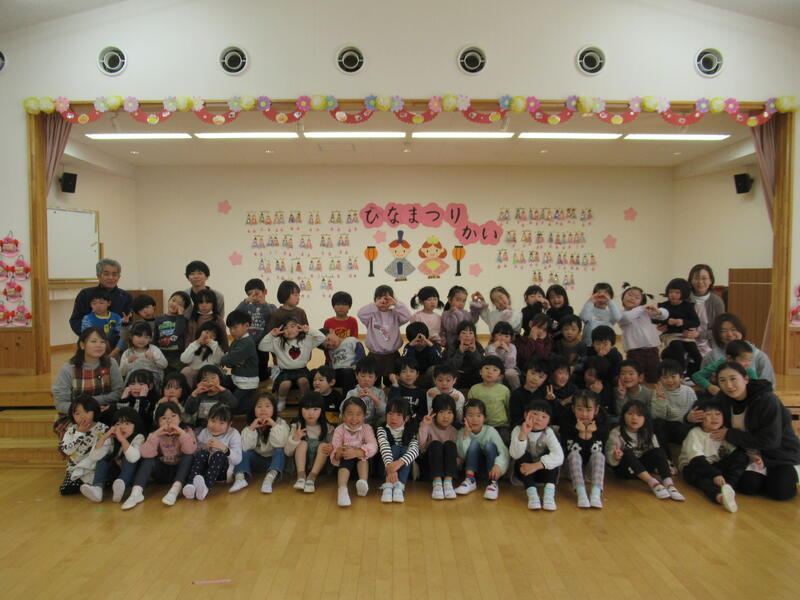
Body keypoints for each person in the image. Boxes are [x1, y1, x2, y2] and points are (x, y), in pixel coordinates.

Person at [711, 362, 800, 501]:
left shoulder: (767, 400)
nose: (729, 385)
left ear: (746, 379)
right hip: (750, 454)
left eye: (733, 379)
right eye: (722, 380)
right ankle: (762, 476)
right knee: (748, 486)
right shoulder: (723, 398)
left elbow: (770, 441)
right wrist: (690, 417)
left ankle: (788, 473)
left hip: (778, 455)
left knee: (781, 492)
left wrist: (730, 434)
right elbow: (705, 407)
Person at [678, 398, 748, 513]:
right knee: (703, 480)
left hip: (716, 465)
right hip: (695, 466)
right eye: (708, 414)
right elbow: (696, 460)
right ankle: (718, 496)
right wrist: (715, 474)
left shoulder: (724, 432)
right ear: (700, 419)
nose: (714, 417)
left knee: (741, 457)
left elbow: (735, 453)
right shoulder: (695, 433)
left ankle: (728, 486)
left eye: (718, 414)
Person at [606, 400, 685, 501]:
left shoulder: (647, 432)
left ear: (645, 418)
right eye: (630, 414)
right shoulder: (616, 432)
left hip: (643, 468)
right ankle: (653, 483)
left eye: (639, 415)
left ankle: (669, 484)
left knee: (658, 450)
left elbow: (657, 453)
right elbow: (609, 458)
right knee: (627, 452)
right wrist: (615, 456)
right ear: (623, 416)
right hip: (626, 470)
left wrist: (668, 465)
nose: (634, 418)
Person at [123, 401, 197, 509]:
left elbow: (190, 450)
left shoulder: (186, 431)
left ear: (180, 419)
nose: (169, 421)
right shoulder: (155, 434)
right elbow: (145, 454)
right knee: (148, 460)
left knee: (189, 456)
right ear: (157, 422)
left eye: (173, 416)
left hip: (181, 473)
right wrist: (156, 435)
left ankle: (175, 490)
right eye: (164, 418)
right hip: (163, 472)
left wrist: (181, 432)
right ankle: (136, 493)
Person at [52, 327, 124, 424]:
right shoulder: (68, 368)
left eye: (102, 342)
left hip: (105, 412)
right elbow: (61, 403)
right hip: (76, 417)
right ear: (82, 345)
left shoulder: (111, 363)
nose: (99, 345)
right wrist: (85, 409)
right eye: (93, 341)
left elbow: (118, 392)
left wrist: (94, 404)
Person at [259, 316, 326, 412]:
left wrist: (309, 330)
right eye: (286, 328)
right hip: (285, 372)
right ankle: (281, 401)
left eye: (293, 326)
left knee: (303, 381)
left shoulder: (306, 340)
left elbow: (322, 337)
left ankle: (305, 401)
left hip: (302, 370)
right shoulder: (277, 342)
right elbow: (262, 346)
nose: (290, 330)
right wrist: (271, 335)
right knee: (285, 384)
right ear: (281, 330)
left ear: (299, 327)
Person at [81, 407, 145, 503]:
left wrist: (122, 440)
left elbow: (133, 458)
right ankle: (97, 488)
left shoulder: (139, 437)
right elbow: (94, 457)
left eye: (127, 423)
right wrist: (104, 438)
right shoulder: (111, 438)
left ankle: (121, 485)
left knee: (128, 457)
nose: (122, 427)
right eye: (117, 424)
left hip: (132, 475)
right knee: (103, 458)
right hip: (114, 474)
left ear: (135, 425)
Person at [510, 400, 564, 510]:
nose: (539, 419)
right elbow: (515, 455)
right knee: (523, 455)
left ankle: (549, 496)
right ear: (525, 414)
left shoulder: (548, 432)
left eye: (544, 416)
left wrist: (536, 466)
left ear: (549, 420)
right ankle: (532, 495)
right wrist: (523, 434)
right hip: (523, 472)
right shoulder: (518, 429)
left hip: (542, 473)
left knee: (552, 457)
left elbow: (559, 456)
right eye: (535, 414)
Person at [230, 394, 289, 493]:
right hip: (258, 461)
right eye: (259, 406)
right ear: (254, 409)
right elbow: (245, 447)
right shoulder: (251, 424)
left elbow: (281, 443)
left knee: (279, 450)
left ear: (274, 409)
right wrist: (252, 428)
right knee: (243, 451)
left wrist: (273, 425)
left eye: (267, 406)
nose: (263, 409)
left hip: (275, 462)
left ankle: (269, 479)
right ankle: (240, 478)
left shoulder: (280, 423)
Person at [183, 402, 242, 501]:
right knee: (202, 453)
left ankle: (206, 487)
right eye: (213, 421)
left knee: (219, 455)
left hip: (223, 473)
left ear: (229, 424)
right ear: (208, 419)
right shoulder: (204, 432)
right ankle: (191, 485)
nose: (216, 426)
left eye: (221, 423)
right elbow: (195, 452)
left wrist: (224, 449)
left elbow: (238, 460)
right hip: (205, 470)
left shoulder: (233, 434)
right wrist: (204, 447)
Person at [559, 390, 607, 508]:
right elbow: (569, 450)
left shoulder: (602, 423)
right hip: (571, 470)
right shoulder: (567, 422)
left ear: (596, 410)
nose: (584, 414)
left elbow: (598, 449)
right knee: (574, 454)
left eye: (589, 410)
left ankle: (596, 494)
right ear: (573, 408)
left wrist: (589, 435)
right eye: (579, 409)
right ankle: (581, 494)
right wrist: (581, 434)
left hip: (592, 472)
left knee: (599, 455)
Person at [700, 313, 775, 387]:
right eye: (723, 331)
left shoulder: (759, 355)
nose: (729, 334)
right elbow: (702, 381)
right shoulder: (710, 356)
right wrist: (712, 382)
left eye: (734, 329)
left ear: (741, 330)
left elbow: (768, 385)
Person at [455, 398, 510, 500]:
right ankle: (470, 480)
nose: (475, 419)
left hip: (490, 470)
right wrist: (466, 436)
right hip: (471, 469)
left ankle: (493, 483)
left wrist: (498, 466)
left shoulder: (490, 431)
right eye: (470, 415)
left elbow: (504, 451)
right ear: (464, 418)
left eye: (478, 415)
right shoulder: (462, 432)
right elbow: (461, 455)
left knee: (489, 446)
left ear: (484, 418)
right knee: (474, 443)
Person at [357, 284, 412, 385]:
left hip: (392, 355)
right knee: (373, 382)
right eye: (379, 298)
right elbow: (360, 314)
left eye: (386, 299)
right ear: (375, 300)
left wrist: (396, 303)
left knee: (391, 382)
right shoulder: (371, 315)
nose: (383, 301)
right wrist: (375, 305)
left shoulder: (395, 314)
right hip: (374, 354)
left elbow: (407, 316)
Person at [330, 397, 378, 507]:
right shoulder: (339, 430)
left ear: (364, 416)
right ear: (343, 416)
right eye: (350, 414)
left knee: (363, 457)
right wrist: (340, 452)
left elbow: (374, 446)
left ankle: (363, 482)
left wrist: (357, 452)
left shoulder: (367, 428)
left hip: (362, 468)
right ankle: (342, 489)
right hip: (344, 466)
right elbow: (335, 451)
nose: (354, 418)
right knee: (346, 459)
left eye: (359, 414)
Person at [59, 396, 111, 496]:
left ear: (94, 411)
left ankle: (92, 485)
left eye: (86, 412)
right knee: (66, 490)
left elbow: (106, 449)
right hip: (76, 467)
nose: (82, 416)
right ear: (72, 415)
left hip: (94, 466)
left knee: (105, 479)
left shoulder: (103, 428)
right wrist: (80, 433)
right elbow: (67, 450)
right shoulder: (71, 431)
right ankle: (84, 484)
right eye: (77, 413)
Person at [69, 258, 133, 336]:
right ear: (98, 276)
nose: (110, 277)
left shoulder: (126, 297)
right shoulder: (85, 294)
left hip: (117, 340)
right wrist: (90, 335)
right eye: (106, 274)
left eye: (114, 274)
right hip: (91, 339)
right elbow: (76, 320)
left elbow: (129, 322)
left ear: (119, 277)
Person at [617, 284, 667, 383]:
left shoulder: (645, 312)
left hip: (652, 350)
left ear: (642, 301)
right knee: (635, 377)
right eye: (629, 295)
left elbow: (665, 315)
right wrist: (641, 308)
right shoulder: (620, 314)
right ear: (623, 297)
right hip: (634, 352)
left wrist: (658, 312)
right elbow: (627, 318)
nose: (632, 298)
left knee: (654, 376)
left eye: (637, 297)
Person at [286, 392, 333, 493]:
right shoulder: (296, 426)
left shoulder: (327, 427)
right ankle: (301, 477)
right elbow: (288, 452)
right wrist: (296, 438)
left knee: (324, 445)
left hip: (319, 467)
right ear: (300, 409)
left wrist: (331, 448)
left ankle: (312, 478)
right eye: (306, 408)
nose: (311, 413)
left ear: (321, 410)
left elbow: (333, 447)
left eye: (315, 409)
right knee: (303, 443)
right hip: (301, 465)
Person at [377, 397, 420, 503]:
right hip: (386, 465)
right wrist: (391, 469)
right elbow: (384, 446)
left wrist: (399, 463)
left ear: (407, 418)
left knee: (406, 449)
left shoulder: (410, 430)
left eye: (399, 415)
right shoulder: (382, 429)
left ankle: (399, 486)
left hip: (402, 465)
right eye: (390, 414)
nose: (393, 418)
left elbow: (415, 450)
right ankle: (388, 485)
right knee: (394, 448)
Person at [658, 277, 702, 377]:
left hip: (685, 335)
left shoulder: (688, 306)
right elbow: (655, 319)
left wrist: (682, 322)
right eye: (671, 292)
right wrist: (666, 321)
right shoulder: (663, 305)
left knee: (694, 351)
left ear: (684, 293)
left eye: (677, 292)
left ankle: (698, 373)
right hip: (670, 334)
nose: (673, 295)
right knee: (677, 347)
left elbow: (696, 322)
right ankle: (681, 373)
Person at [418, 394, 459, 500]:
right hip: (429, 467)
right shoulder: (428, 425)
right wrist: (424, 425)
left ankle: (448, 483)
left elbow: (457, 457)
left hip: (447, 471)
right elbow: (420, 447)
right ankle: (437, 484)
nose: (446, 416)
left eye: (449, 412)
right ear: (434, 413)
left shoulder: (453, 431)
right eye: (441, 412)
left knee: (450, 444)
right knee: (436, 444)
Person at [651, 359, 696, 454]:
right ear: (659, 379)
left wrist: (689, 418)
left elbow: (694, 411)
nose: (670, 381)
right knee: (657, 423)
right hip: (667, 428)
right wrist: (661, 400)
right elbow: (657, 417)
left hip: (683, 427)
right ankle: (665, 457)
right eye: (665, 377)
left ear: (681, 377)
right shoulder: (658, 392)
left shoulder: (689, 391)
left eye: (673, 376)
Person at [220, 309, 259, 415]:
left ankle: (252, 408)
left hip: (246, 382)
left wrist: (226, 360)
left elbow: (229, 359)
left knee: (233, 404)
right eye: (230, 328)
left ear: (246, 326)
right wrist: (230, 360)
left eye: (235, 328)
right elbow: (230, 359)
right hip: (237, 377)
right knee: (219, 379)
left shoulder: (247, 343)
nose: (232, 331)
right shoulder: (238, 340)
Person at [236, 278, 276, 382]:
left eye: (257, 293)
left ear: (265, 292)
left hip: (263, 343)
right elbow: (236, 315)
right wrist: (245, 302)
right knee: (248, 368)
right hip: (248, 343)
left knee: (262, 374)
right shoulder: (246, 307)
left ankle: (266, 371)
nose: (254, 297)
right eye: (250, 294)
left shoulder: (271, 307)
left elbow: (271, 317)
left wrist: (264, 305)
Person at [467, 356, 511, 444]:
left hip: (500, 426)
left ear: (500, 376)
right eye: (486, 368)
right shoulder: (474, 389)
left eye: (495, 370)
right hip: (480, 426)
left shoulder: (504, 390)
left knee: (505, 441)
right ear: (480, 372)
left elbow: (508, 408)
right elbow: (469, 409)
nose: (490, 372)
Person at [692, 340, 757, 397]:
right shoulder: (720, 364)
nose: (747, 363)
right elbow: (697, 376)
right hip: (719, 397)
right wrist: (709, 386)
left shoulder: (748, 370)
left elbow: (756, 386)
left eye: (749, 360)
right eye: (743, 360)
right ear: (729, 358)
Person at [687, 264, 725, 358]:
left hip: (709, 344)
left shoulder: (716, 302)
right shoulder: (684, 299)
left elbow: (720, 329)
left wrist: (700, 334)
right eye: (696, 278)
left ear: (710, 281)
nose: (700, 282)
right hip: (685, 341)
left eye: (704, 278)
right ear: (691, 280)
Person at [119, 321, 167, 387]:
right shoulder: (128, 353)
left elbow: (164, 365)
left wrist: (154, 358)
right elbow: (122, 373)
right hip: (134, 385)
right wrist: (128, 361)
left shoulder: (154, 350)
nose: (142, 340)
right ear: (131, 336)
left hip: (151, 384)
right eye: (139, 336)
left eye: (146, 337)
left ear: (150, 338)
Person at [179, 320, 225, 387]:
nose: (208, 336)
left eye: (213, 335)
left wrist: (211, 343)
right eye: (207, 332)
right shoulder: (194, 345)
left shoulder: (216, 347)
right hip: (195, 375)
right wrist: (197, 343)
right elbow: (184, 359)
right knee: (186, 370)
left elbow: (218, 360)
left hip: (209, 375)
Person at [343, 356, 387, 426]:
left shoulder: (379, 393)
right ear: (356, 376)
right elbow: (342, 411)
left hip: (374, 425)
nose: (366, 379)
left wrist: (375, 399)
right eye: (363, 376)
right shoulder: (352, 393)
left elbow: (384, 413)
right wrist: (356, 399)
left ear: (376, 378)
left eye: (370, 376)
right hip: (355, 424)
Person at [153, 291, 190, 374]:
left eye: (180, 304)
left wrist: (180, 316)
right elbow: (155, 337)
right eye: (173, 300)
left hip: (177, 357)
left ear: (184, 309)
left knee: (176, 376)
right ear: (168, 300)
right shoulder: (159, 319)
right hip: (162, 355)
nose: (174, 304)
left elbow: (179, 331)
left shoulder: (183, 320)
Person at [80, 288, 126, 354]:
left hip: (113, 348)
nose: (98, 306)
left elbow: (121, 336)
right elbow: (86, 337)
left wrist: (115, 351)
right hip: (95, 348)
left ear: (109, 303)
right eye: (94, 303)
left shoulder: (116, 317)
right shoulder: (87, 318)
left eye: (101, 303)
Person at [322, 327, 365, 393]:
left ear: (332, 331)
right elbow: (330, 364)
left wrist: (356, 363)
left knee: (347, 373)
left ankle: (349, 397)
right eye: (327, 345)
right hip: (337, 373)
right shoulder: (330, 351)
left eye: (328, 339)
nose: (330, 344)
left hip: (351, 371)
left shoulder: (350, 341)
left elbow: (360, 353)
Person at [443, 320, 484, 389]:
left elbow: (480, 365)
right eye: (464, 333)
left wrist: (474, 352)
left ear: (474, 336)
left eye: (471, 333)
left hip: (473, 376)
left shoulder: (478, 346)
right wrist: (460, 351)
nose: (467, 335)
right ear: (458, 337)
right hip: (457, 376)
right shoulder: (452, 346)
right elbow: (451, 366)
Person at [509, 358, 548, 427]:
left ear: (545, 380)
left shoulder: (545, 394)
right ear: (526, 372)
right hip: (521, 426)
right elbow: (515, 418)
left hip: (541, 427)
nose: (535, 378)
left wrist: (551, 400)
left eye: (540, 377)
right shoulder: (516, 394)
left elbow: (548, 415)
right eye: (533, 373)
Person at [388, 357, 427, 422]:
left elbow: (423, 413)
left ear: (417, 374)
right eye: (404, 372)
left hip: (415, 423)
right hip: (397, 422)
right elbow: (391, 405)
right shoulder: (396, 389)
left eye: (412, 371)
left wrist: (414, 420)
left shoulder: (422, 393)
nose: (408, 374)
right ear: (398, 375)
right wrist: (395, 383)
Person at [485, 321, 520, 390]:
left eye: (506, 336)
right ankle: (499, 392)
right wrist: (493, 348)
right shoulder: (490, 347)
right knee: (496, 375)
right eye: (500, 335)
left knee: (510, 373)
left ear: (511, 339)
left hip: (509, 369)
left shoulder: (512, 347)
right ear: (494, 336)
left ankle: (517, 390)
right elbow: (492, 362)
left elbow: (510, 365)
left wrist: (508, 350)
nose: (502, 338)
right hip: (494, 369)